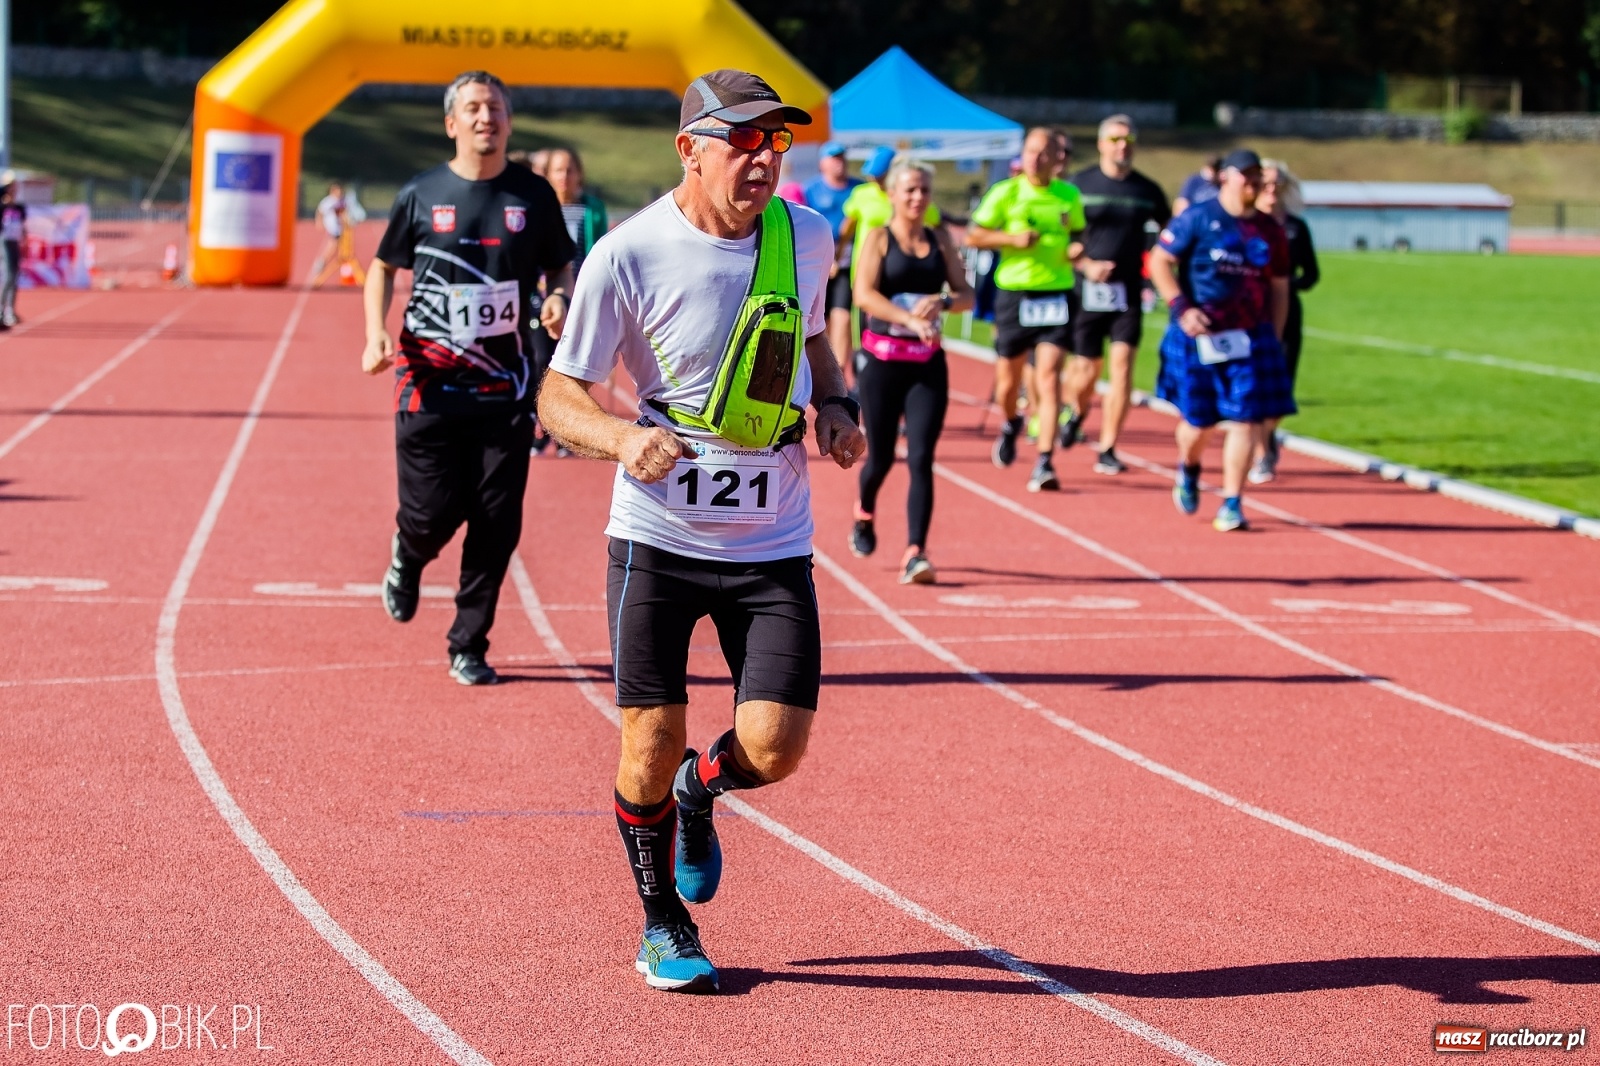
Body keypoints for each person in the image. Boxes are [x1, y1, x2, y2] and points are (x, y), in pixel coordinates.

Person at [538, 69, 865, 994]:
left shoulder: (808, 236)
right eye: (745, 141)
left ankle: (700, 791)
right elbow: (561, 396)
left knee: (775, 748)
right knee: (647, 736)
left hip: (773, 541)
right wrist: (620, 436)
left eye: (777, 142)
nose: (764, 159)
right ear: (690, 147)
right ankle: (661, 924)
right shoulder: (628, 253)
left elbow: (808, 338)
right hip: (659, 538)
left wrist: (835, 404)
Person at [361, 71, 575, 684]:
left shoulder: (532, 196)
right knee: (432, 513)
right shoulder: (421, 194)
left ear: (509, 121)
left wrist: (558, 298)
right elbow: (381, 267)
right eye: (474, 108)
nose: (487, 117)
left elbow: (561, 265)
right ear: (452, 123)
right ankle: (409, 552)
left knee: (497, 521)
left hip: (504, 389)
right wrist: (376, 332)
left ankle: (469, 642)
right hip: (426, 385)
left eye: (497, 107)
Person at [1148, 148, 1293, 532]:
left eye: (1257, 176)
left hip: (1248, 337)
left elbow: (1280, 286)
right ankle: (1190, 466)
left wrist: (1274, 334)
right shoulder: (1198, 218)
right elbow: (1159, 261)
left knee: (1246, 420)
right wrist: (1181, 307)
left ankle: (1232, 502)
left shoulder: (1270, 230)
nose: (1253, 183)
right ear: (1226, 177)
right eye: (1245, 175)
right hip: (1200, 334)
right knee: (1199, 423)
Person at [848, 159, 974, 584]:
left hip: (926, 365)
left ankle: (916, 552)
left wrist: (943, 303)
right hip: (882, 364)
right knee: (881, 458)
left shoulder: (940, 239)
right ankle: (864, 512)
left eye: (924, 190)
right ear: (893, 194)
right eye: (910, 190)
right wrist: (908, 318)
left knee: (921, 457)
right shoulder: (880, 238)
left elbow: (967, 294)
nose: (918, 198)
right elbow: (863, 295)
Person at [966, 126, 1090, 492]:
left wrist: (1076, 250)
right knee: (1009, 382)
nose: (1035, 158)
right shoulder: (1007, 192)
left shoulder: (1068, 195)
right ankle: (1010, 422)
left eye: (1043, 152)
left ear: (1056, 158)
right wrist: (1010, 239)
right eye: (1030, 151)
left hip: (1056, 295)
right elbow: (974, 234)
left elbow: (1079, 234)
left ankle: (1045, 460)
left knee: (1049, 378)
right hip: (1015, 294)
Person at [1062, 115, 1170, 475]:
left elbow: (1171, 237)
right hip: (1086, 289)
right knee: (1086, 370)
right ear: (1101, 143)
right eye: (1115, 139)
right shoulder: (1080, 185)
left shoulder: (1147, 191)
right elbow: (1061, 240)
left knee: (1122, 368)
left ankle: (1108, 446)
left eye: (1128, 139)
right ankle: (1076, 411)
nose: (1122, 146)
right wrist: (1085, 264)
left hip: (1127, 292)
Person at [1249, 158, 1319, 484]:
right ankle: (1262, 453)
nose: (1272, 188)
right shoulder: (1248, 224)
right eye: (1266, 181)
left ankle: (1269, 436)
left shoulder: (1295, 227)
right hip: (1253, 313)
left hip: (1289, 312)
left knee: (1282, 389)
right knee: (1255, 386)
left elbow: (1312, 274)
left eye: (1278, 182)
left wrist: (1289, 285)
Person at [802, 142, 864, 377]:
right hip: (819, 265)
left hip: (847, 263)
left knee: (843, 316)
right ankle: (812, 373)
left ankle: (837, 375)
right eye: (834, 157)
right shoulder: (811, 190)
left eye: (842, 156)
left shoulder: (859, 189)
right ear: (822, 164)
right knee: (818, 320)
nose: (840, 162)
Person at [545, 147, 609, 279]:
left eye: (569, 171)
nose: (564, 176)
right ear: (548, 174)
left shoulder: (593, 210)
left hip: (583, 285)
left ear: (579, 174)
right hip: (548, 288)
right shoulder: (541, 209)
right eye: (558, 170)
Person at [0, 176, 26, 328]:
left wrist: (25, 240)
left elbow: (23, 226)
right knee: (9, 275)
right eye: (9, 186)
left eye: (14, 186)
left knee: (14, 275)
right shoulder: (2, 206)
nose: (12, 189)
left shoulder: (19, 207)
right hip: (4, 242)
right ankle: (2, 310)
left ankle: (11, 309)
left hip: (15, 242)